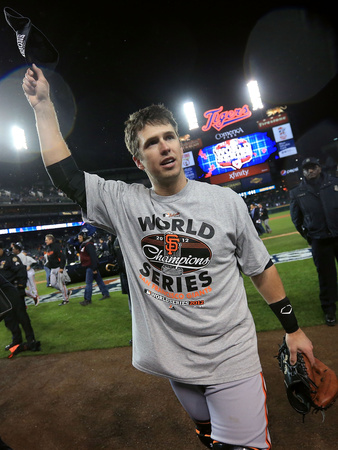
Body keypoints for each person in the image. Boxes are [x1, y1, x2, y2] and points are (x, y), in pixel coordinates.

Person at [23, 64, 315, 450]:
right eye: (151, 143)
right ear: (139, 161)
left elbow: (261, 270)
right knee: (209, 435)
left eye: (169, 137)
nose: (164, 146)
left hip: (230, 357)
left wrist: (292, 328)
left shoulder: (225, 201)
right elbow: (67, 177)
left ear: (180, 143)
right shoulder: (125, 204)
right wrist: (43, 106)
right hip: (175, 364)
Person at [290, 157, 338, 327]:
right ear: (302, 171)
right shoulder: (297, 192)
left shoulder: (334, 183)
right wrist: (309, 236)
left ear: (319, 167)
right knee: (326, 277)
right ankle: (329, 309)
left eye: (313, 167)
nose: (310, 171)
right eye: (306, 168)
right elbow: (297, 219)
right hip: (319, 240)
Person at [78, 228, 110, 306]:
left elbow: (93, 257)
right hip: (91, 266)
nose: (78, 238)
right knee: (99, 281)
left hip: (90, 266)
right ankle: (106, 294)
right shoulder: (85, 245)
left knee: (88, 283)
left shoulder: (88, 245)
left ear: (84, 237)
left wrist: (94, 268)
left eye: (80, 237)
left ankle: (87, 299)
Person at [44, 234, 71, 305]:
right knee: (52, 283)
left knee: (62, 284)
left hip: (59, 268)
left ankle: (66, 300)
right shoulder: (48, 248)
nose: (45, 241)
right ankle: (66, 292)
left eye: (46, 240)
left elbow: (62, 257)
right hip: (53, 269)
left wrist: (62, 267)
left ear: (50, 240)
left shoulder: (56, 247)